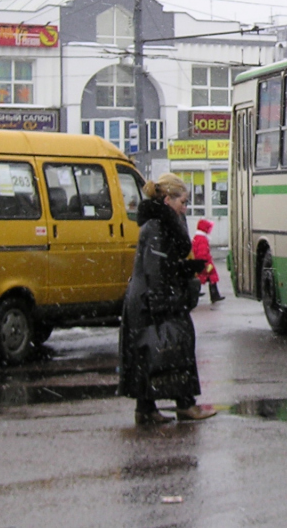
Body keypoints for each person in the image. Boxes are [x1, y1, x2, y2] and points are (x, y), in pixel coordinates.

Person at [118, 174, 217, 425]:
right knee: (176, 344)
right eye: (182, 202)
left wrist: (186, 268)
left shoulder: (159, 222)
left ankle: (146, 409)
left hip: (144, 298)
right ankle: (185, 405)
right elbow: (155, 268)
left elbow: (163, 263)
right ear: (167, 199)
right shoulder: (157, 226)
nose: (185, 207)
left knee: (148, 353)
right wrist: (162, 301)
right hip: (152, 297)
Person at [192, 218, 224, 303]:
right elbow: (202, 253)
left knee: (208, 278)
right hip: (205, 263)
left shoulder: (198, 238)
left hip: (203, 262)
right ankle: (214, 295)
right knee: (211, 278)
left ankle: (213, 295)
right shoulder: (202, 239)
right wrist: (205, 263)